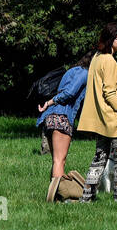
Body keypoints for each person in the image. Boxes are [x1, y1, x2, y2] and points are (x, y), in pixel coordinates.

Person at [77, 22, 117, 202]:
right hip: (115, 119)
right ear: (110, 39)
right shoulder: (109, 61)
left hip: (102, 119)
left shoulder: (97, 58)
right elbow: (109, 92)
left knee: (99, 158)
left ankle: (87, 197)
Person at [37, 53, 92, 201]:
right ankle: (61, 197)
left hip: (51, 117)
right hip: (61, 116)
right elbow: (69, 93)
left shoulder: (72, 71)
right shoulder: (85, 73)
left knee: (57, 160)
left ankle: (54, 195)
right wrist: (49, 102)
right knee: (60, 160)